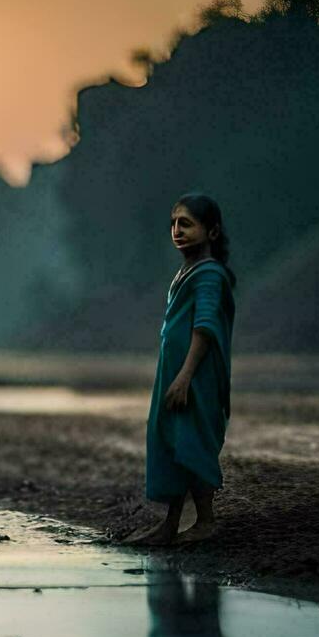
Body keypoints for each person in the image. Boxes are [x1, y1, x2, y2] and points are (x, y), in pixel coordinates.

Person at [129, 193, 236, 546]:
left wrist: (186, 377)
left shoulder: (209, 275)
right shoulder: (187, 271)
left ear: (213, 231)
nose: (177, 230)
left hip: (195, 377)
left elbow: (204, 328)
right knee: (172, 442)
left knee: (191, 442)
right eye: (174, 223)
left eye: (187, 224)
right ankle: (170, 525)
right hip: (174, 374)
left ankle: (206, 520)